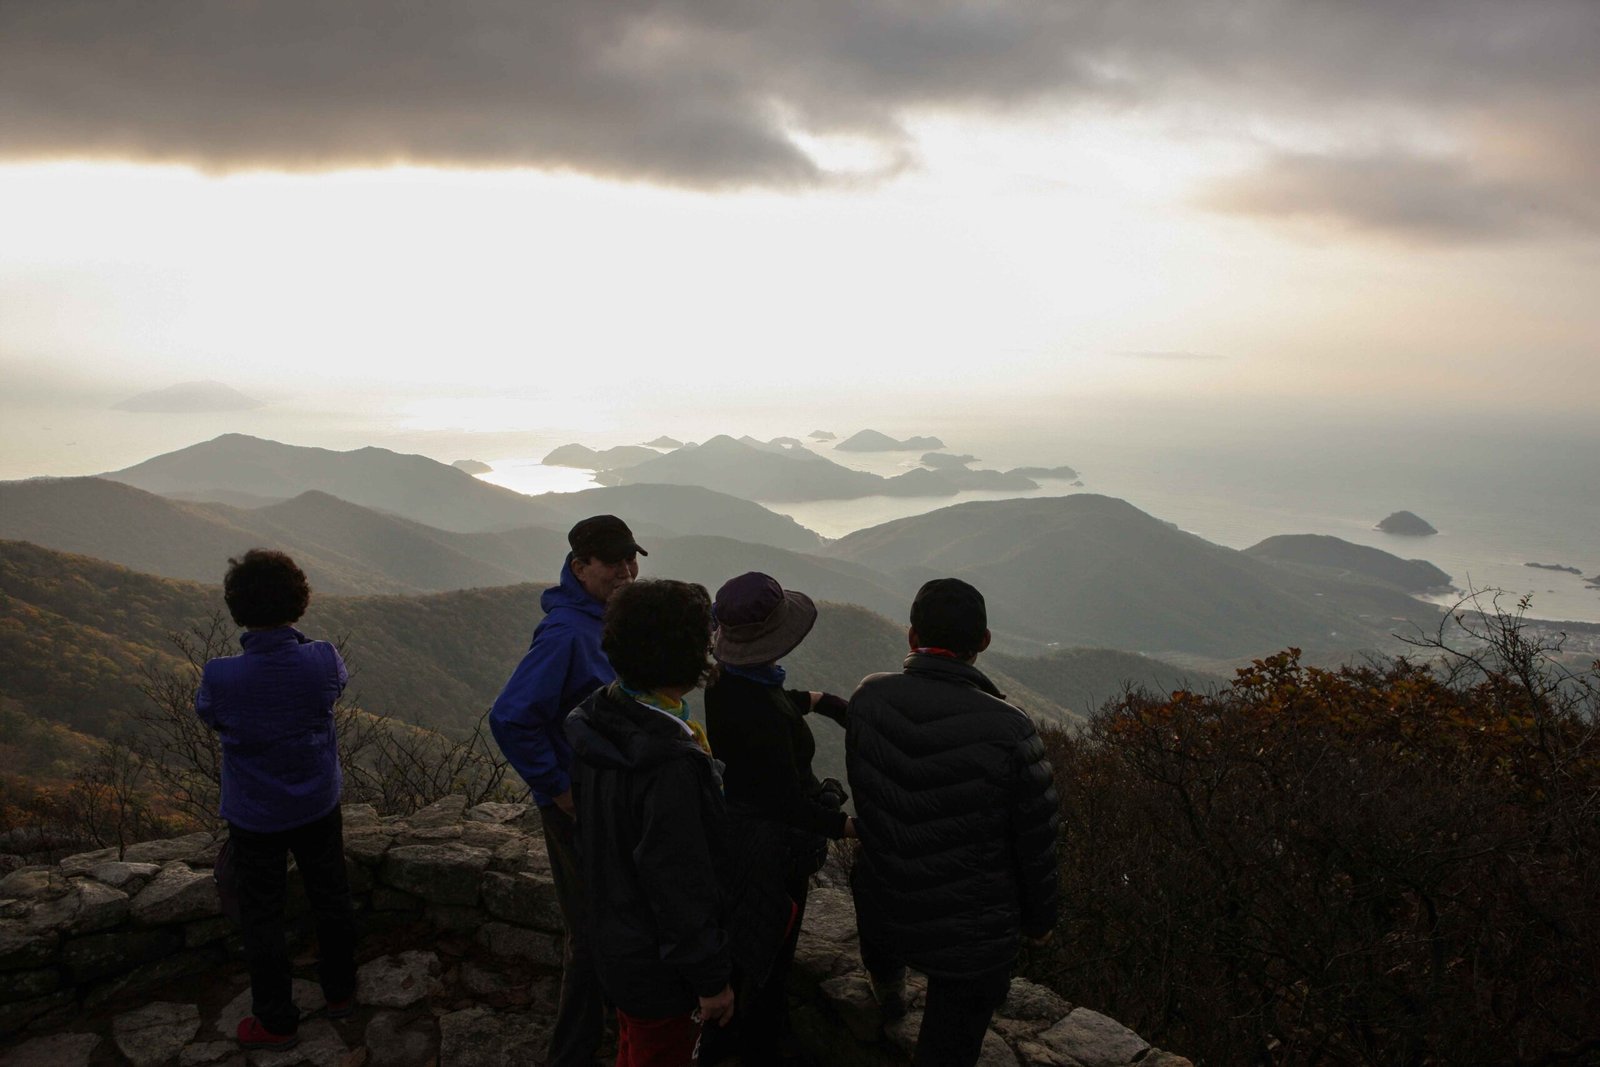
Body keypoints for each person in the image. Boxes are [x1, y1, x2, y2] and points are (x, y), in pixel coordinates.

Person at [845, 578, 1060, 1067]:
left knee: (885, 938)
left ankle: (888, 991)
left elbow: (873, 795)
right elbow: (1036, 839)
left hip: (883, 897)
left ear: (911, 636)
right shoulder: (1011, 729)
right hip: (970, 930)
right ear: (984, 641)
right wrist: (1039, 921)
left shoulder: (869, 697)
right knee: (948, 1047)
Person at [489, 514, 646, 1067]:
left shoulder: (605, 618)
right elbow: (511, 717)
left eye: (631, 559)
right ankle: (572, 1051)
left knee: (613, 917)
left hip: (608, 796)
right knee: (592, 928)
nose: (626, 571)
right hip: (579, 805)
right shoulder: (565, 634)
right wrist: (559, 790)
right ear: (580, 567)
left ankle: (613, 1022)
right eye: (613, 562)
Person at [565, 579, 735, 1067]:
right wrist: (711, 981)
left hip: (618, 938)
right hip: (659, 966)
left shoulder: (602, 716)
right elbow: (678, 880)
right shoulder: (670, 764)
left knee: (634, 1044)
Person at [196, 549, 357, 1052]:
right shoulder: (322, 657)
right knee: (330, 895)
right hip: (317, 801)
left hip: (255, 812)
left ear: (237, 607)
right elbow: (336, 687)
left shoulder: (220, 676)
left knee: (261, 914)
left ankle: (276, 1020)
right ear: (299, 600)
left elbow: (211, 716)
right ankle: (340, 992)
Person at [700, 572, 855, 1065]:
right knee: (767, 956)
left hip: (741, 835)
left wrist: (818, 701)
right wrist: (851, 828)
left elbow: (767, 704)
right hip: (771, 852)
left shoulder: (727, 680)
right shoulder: (756, 708)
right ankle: (749, 1048)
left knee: (752, 951)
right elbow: (786, 803)